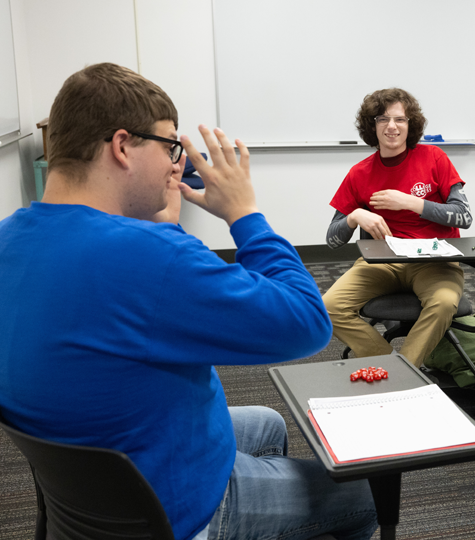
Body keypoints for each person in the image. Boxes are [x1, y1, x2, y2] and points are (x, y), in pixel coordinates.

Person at [0, 63, 377, 540]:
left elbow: (135, 308)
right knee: (366, 496)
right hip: (173, 505)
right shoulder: (148, 257)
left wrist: (164, 232)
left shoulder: (9, 238)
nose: (177, 163)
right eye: (170, 145)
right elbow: (306, 321)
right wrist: (246, 213)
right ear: (122, 147)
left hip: (92, 481)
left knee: (265, 422)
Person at [323, 88, 473, 367]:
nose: (392, 126)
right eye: (383, 119)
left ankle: (405, 373)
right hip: (383, 261)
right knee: (329, 307)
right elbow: (332, 239)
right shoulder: (360, 173)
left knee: (442, 303)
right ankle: (391, 366)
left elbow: (463, 216)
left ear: (410, 125)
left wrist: (412, 202)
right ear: (372, 126)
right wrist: (355, 216)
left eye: (400, 119)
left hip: (435, 261)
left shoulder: (434, 158)